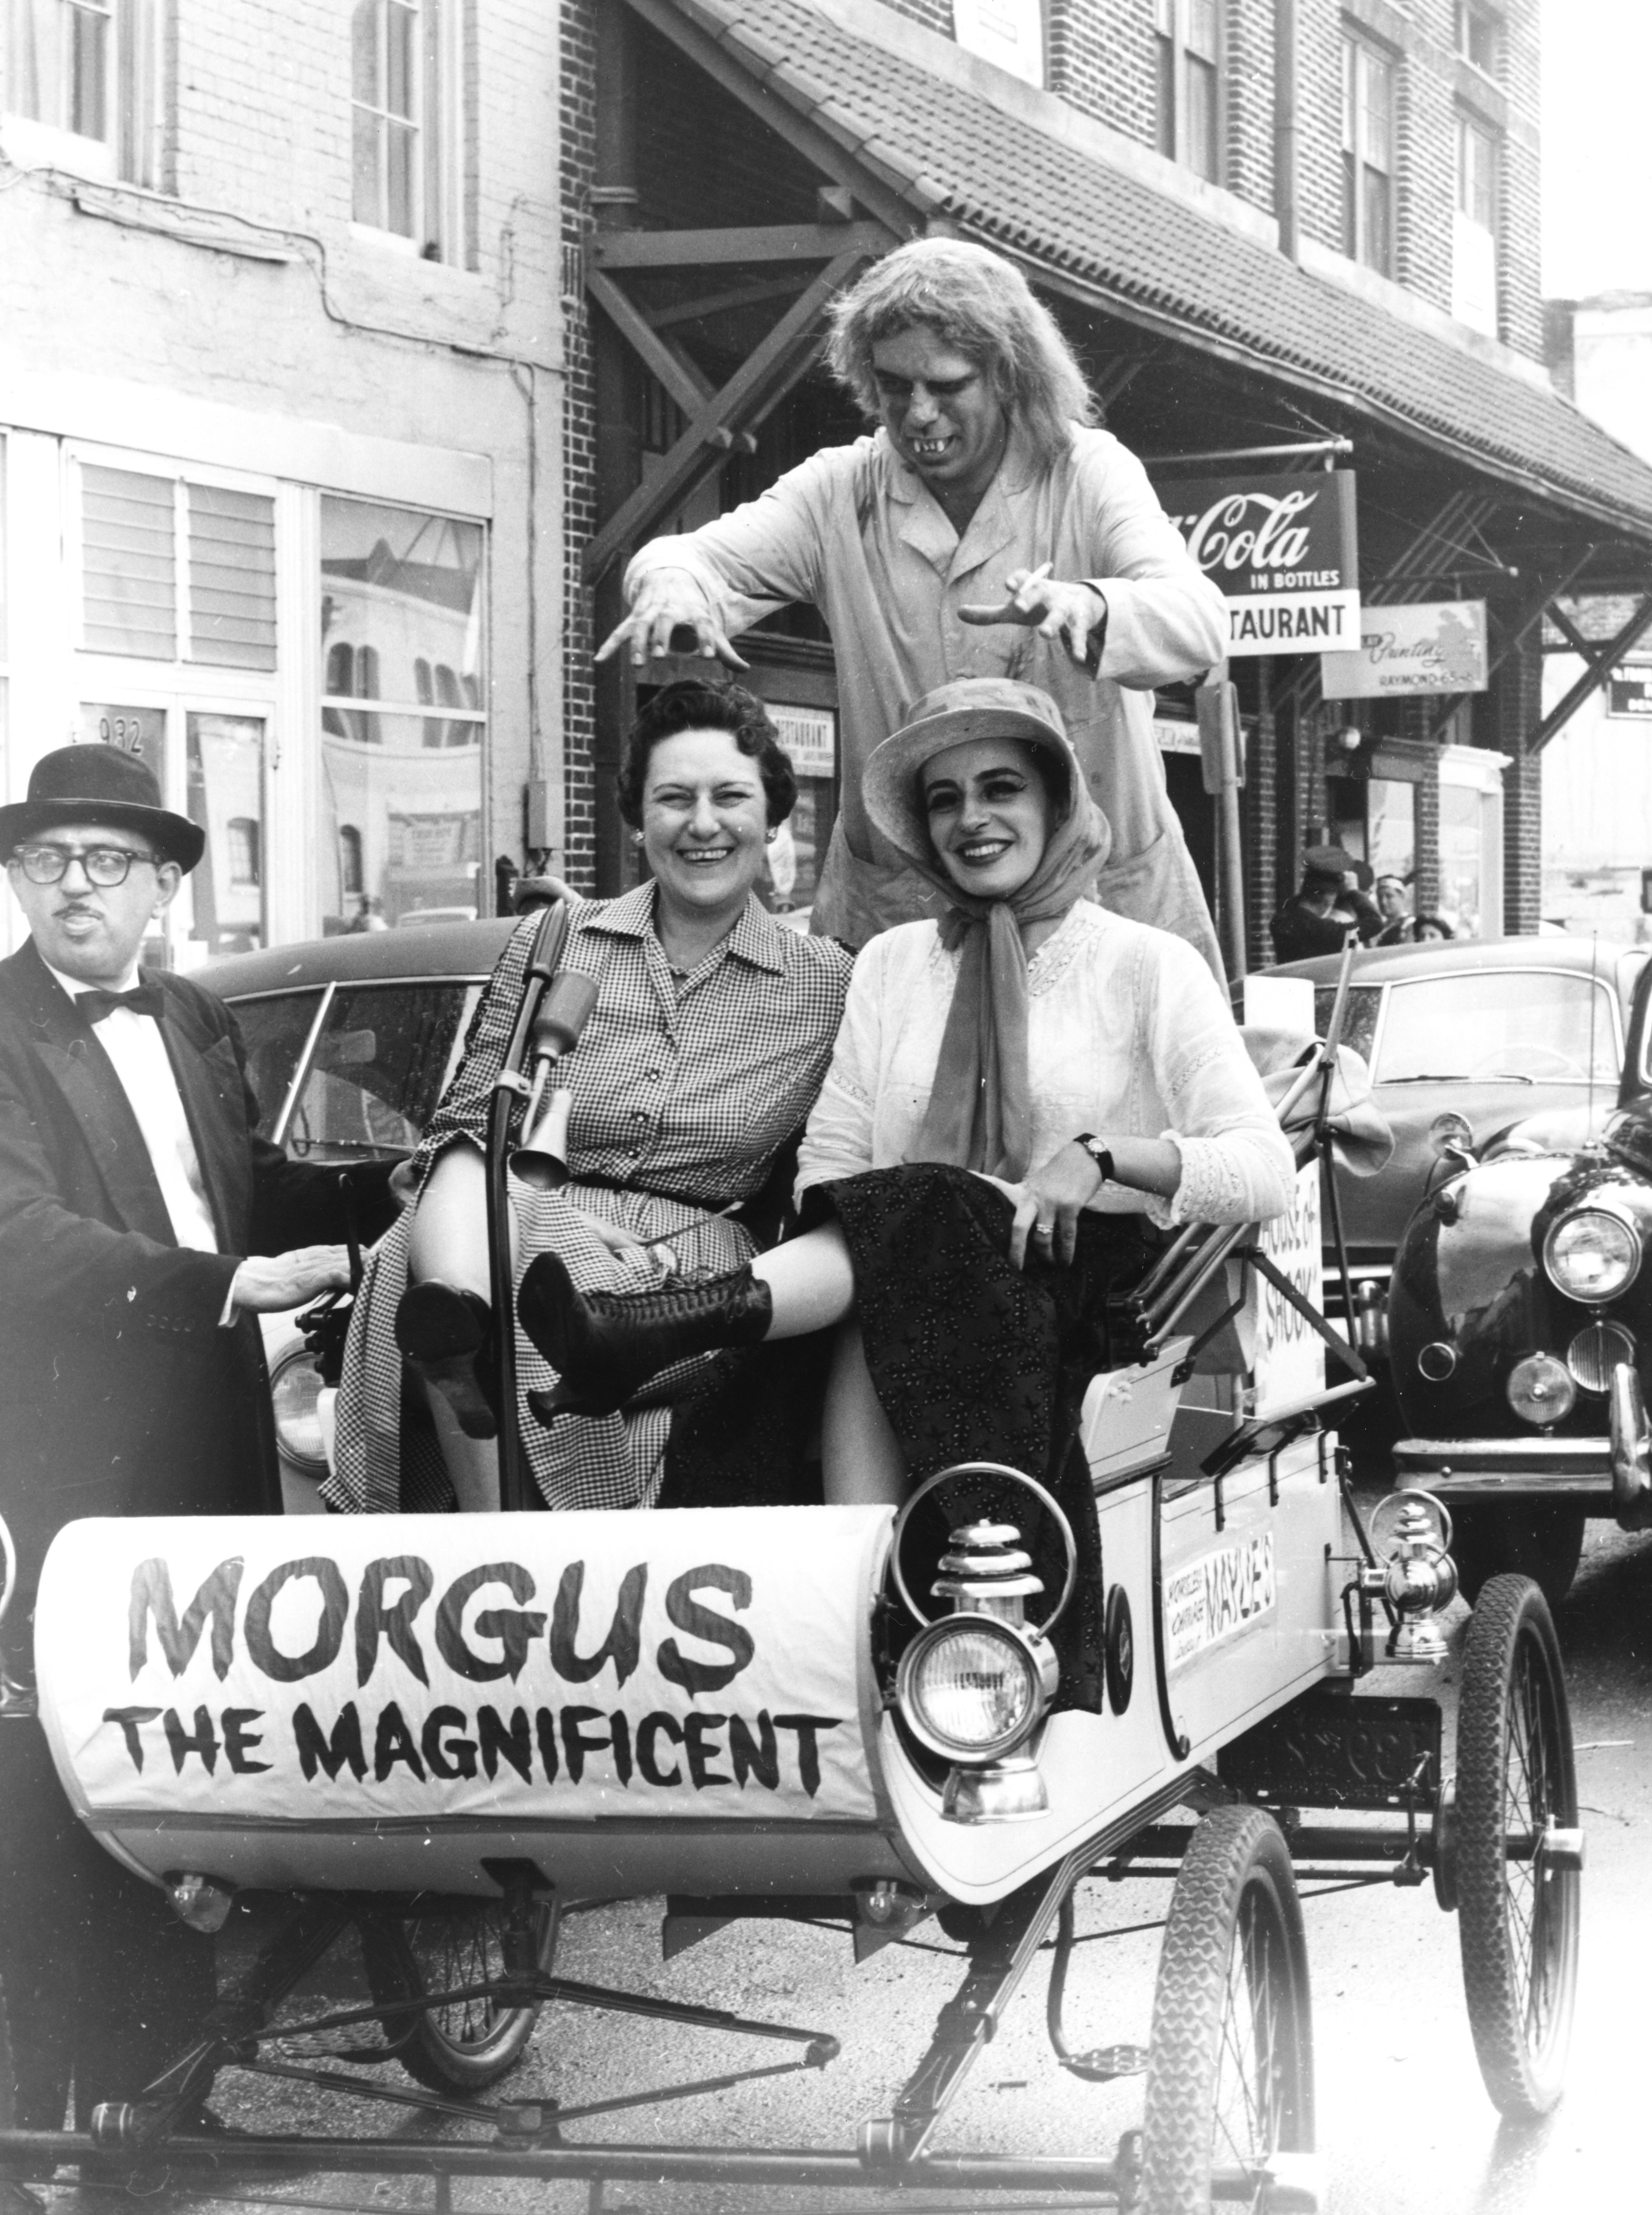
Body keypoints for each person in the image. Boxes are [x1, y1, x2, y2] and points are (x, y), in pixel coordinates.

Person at [0, 742, 399, 2215]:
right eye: (49, 859)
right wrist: (228, 1284)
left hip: (196, 1455)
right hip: (50, 1477)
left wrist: (401, 1180)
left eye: (107, 859)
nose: (75, 885)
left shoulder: (187, 1018)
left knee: (177, 1771)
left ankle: (152, 2120)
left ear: (166, 882)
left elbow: (237, 1182)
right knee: (30, 1796)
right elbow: (18, 1246)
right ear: (17, 878)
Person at [521, 683, 1294, 1667]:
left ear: (1057, 805)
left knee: (925, 1207)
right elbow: (831, 1166)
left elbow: (1262, 1169)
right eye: (942, 799)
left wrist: (1099, 1157)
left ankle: (673, 1330)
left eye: (999, 788)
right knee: (915, 1224)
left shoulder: (1145, 966)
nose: (970, 819)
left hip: (1066, 1279)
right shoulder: (891, 964)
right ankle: (865, 1623)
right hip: (894, 1277)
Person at [602, 238, 1226, 971]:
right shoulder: (841, 490)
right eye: (896, 388)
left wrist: (1091, 608)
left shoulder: (1086, 472)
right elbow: (683, 556)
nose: (918, 415)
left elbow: (1199, 621)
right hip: (904, 912)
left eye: (946, 385)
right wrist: (674, 582)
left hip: (1101, 903)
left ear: (1009, 376)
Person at [326, 681, 852, 1516]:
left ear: (772, 815)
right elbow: (465, 1118)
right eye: (672, 798)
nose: (701, 823)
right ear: (637, 818)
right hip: (505, 1213)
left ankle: (487, 1500)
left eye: (729, 797)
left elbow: (829, 1175)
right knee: (476, 1177)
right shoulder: (556, 937)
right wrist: (541, 1206)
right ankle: (457, 1325)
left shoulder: (827, 985)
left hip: (679, 1269)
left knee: (508, 1250)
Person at [1270, 845, 1383, 960]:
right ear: (1327, 897)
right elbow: (1375, 923)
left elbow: (1297, 903)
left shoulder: (1280, 920)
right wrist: (1353, 892)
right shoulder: (1323, 931)